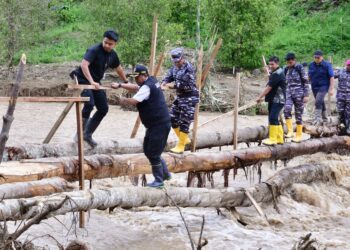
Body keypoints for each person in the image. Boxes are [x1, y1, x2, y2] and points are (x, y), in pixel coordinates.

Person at [111, 65, 171, 188]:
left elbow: (134, 101)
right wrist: (120, 85)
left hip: (159, 124)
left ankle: (159, 180)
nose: (136, 79)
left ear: (144, 75)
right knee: (148, 150)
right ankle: (165, 174)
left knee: (153, 153)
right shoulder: (151, 81)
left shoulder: (147, 87)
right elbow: (136, 88)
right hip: (155, 124)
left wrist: (122, 100)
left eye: (137, 77)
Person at [70, 30, 128, 147]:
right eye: (105, 42)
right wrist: (91, 81)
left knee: (103, 108)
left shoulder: (113, 55)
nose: (107, 45)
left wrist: (125, 81)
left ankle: (87, 134)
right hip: (82, 79)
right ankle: (79, 134)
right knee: (89, 104)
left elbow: (118, 68)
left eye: (110, 44)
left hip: (96, 82)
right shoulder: (94, 50)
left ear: (115, 44)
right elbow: (84, 65)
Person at [161, 48, 199, 154]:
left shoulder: (189, 68)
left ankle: (181, 145)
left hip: (190, 97)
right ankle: (184, 139)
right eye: (175, 61)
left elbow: (187, 85)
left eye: (178, 61)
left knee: (185, 121)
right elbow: (169, 76)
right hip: (180, 97)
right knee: (172, 118)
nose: (176, 63)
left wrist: (171, 86)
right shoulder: (175, 67)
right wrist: (164, 82)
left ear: (183, 58)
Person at [256, 56, 286, 145]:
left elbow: (269, 87)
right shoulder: (275, 72)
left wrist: (260, 97)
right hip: (274, 99)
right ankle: (280, 138)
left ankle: (273, 138)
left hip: (278, 99)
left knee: (273, 118)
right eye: (269, 64)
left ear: (277, 64)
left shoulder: (277, 74)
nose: (270, 66)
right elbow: (271, 81)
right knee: (275, 118)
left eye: (272, 64)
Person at [283, 52, 310, 143]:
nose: (289, 62)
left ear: (294, 60)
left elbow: (306, 81)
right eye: (288, 61)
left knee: (298, 114)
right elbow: (282, 79)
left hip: (299, 93)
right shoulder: (286, 69)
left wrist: (306, 95)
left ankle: (299, 135)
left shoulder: (299, 68)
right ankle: (290, 131)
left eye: (291, 60)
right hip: (289, 93)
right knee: (287, 110)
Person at [308, 50, 335, 125]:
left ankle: (318, 119)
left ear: (322, 57)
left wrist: (331, 88)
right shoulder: (311, 65)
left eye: (318, 57)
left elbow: (331, 77)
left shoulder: (327, 65)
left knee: (318, 101)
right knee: (320, 102)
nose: (316, 59)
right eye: (315, 57)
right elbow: (309, 76)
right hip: (314, 86)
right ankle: (325, 118)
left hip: (324, 86)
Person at [335, 59, 350, 135]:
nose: (349, 67)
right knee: (341, 113)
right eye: (348, 65)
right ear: (346, 65)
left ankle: (348, 130)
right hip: (340, 97)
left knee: (348, 114)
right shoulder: (340, 71)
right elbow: (331, 76)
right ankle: (341, 130)